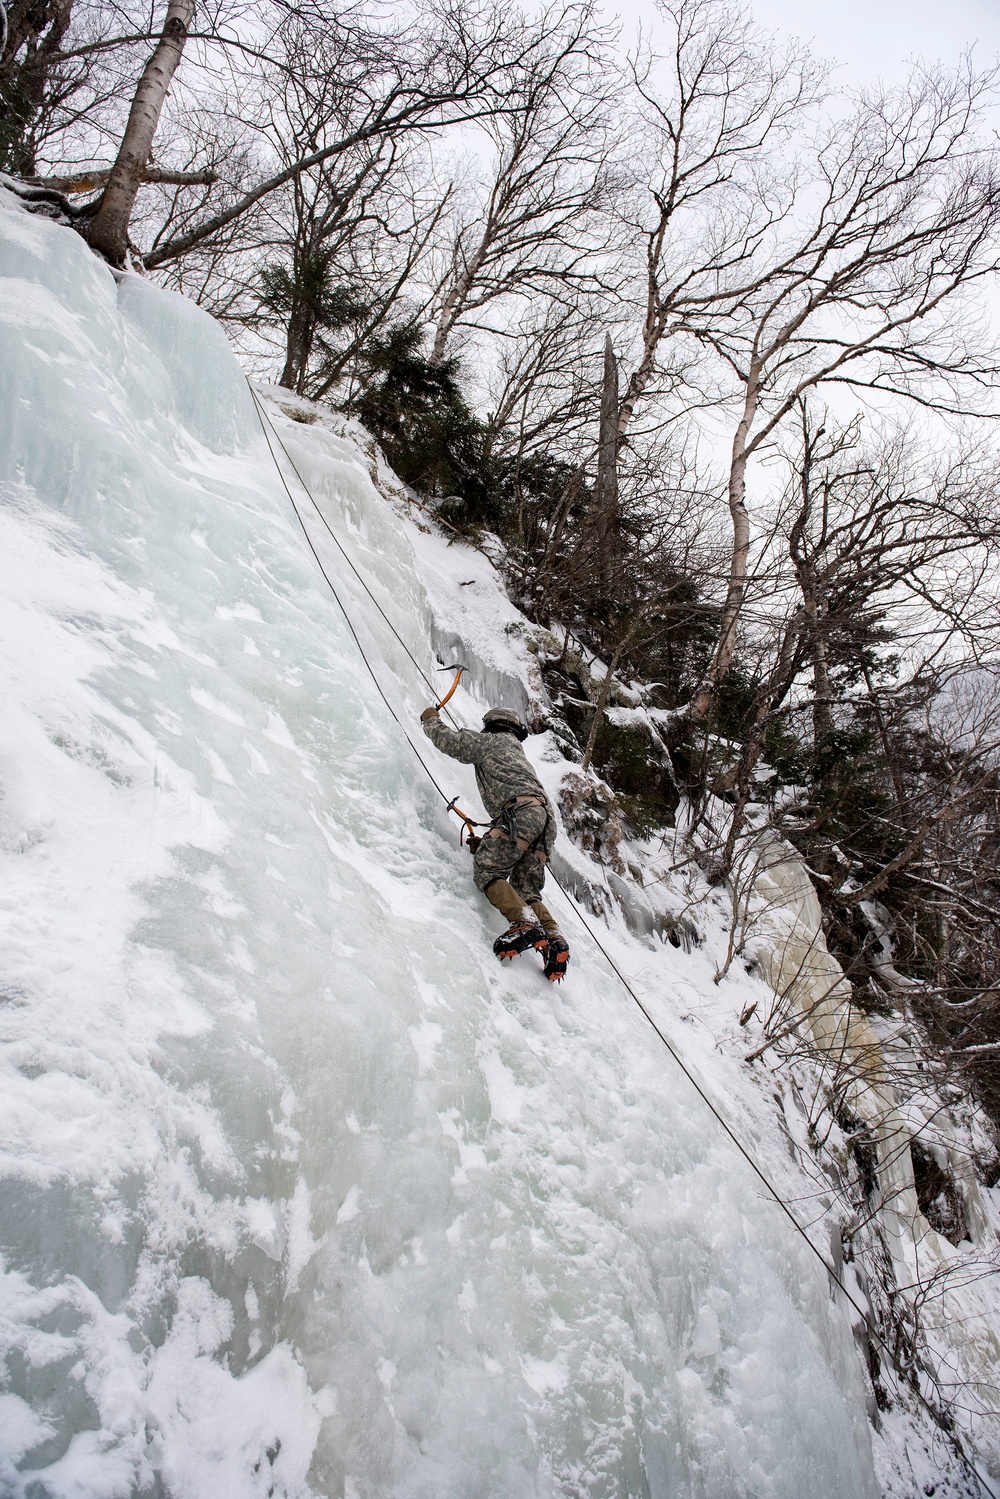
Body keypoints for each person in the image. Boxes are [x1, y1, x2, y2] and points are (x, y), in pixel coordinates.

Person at [420, 704, 570, 981]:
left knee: (488, 870)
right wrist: (491, 839)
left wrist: (430, 719)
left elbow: (451, 742)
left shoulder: (490, 741)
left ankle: (524, 923)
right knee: (526, 888)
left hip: (521, 814)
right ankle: (554, 940)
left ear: (493, 725)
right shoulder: (517, 752)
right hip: (544, 820)